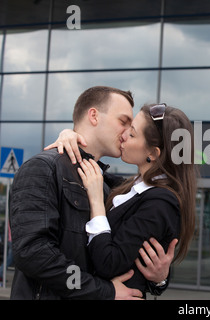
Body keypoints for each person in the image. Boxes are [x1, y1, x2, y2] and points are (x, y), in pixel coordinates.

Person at [9, 86, 173, 300]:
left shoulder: (113, 188)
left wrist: (160, 277)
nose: (126, 134)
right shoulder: (43, 169)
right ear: (94, 116)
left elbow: (128, 252)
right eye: (123, 122)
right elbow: (33, 254)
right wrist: (103, 291)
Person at [76, 102, 197, 296]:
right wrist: (70, 137)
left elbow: (109, 263)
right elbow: (94, 170)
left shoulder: (160, 204)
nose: (123, 135)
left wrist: (97, 202)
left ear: (153, 154)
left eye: (132, 134)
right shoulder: (134, 187)